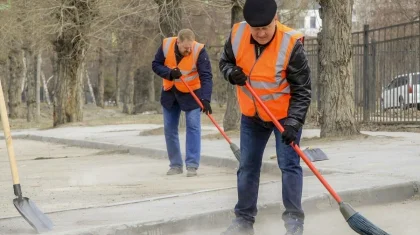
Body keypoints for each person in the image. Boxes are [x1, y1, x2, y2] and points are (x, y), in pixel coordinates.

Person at [218, 0, 312, 234]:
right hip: (252, 115)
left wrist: (293, 123)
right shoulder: (238, 33)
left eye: (265, 28)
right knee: (248, 166)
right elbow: (224, 62)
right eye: (255, 28)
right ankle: (243, 220)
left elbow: (302, 91)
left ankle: (294, 223)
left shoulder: (291, 44)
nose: (260, 33)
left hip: (284, 118)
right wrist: (232, 73)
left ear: (276, 19)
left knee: (289, 166)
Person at [152, 29, 213, 177]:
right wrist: (169, 73)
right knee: (169, 128)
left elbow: (206, 76)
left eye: (190, 47)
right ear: (178, 42)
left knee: (193, 126)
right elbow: (156, 64)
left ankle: (192, 165)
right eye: (186, 47)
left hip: (192, 94)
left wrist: (206, 99)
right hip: (170, 93)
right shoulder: (166, 45)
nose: (189, 50)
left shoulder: (199, 50)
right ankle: (175, 165)